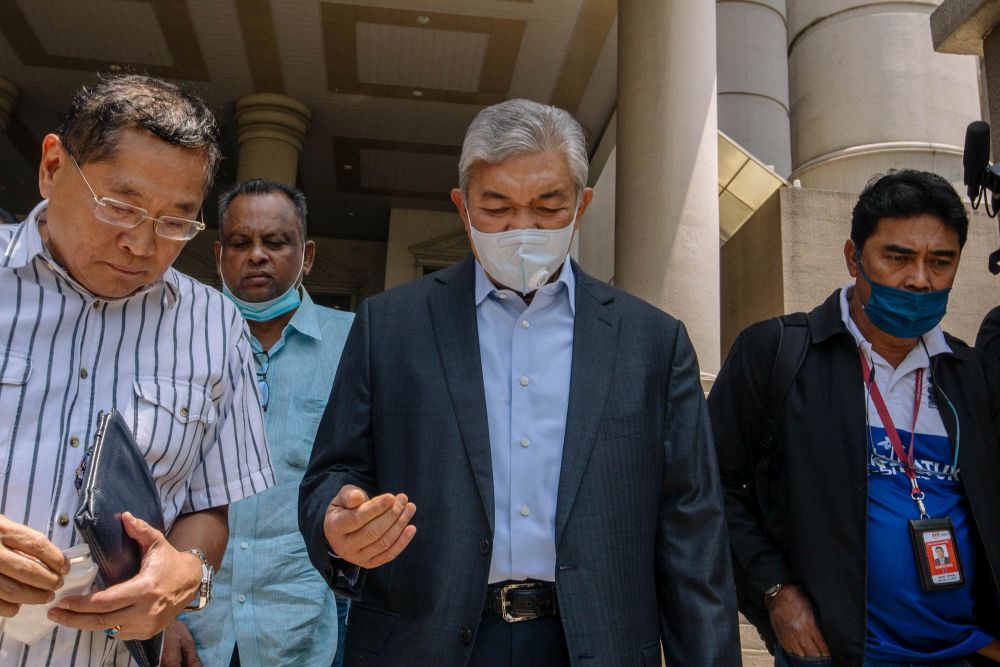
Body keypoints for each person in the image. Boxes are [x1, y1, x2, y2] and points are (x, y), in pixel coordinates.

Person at [298, 98, 740, 666]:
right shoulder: (392, 326)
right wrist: (336, 521)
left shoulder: (652, 342)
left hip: (594, 644)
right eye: (497, 206)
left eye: (548, 206)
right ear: (462, 207)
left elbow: (692, 529)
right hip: (422, 640)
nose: (521, 228)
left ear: (581, 205)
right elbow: (332, 472)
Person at [0, 75, 273, 666]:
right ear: (52, 167)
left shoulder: (214, 325)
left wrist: (186, 575)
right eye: (120, 206)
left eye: (176, 220)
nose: (142, 244)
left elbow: (208, 502)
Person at [709, 170, 1000, 666]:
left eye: (940, 261)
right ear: (853, 258)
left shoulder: (969, 374)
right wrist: (773, 590)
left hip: (967, 653)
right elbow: (710, 485)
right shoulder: (778, 353)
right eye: (897, 256)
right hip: (842, 655)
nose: (919, 279)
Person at [165, 179, 353, 666]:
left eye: (275, 242)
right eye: (241, 243)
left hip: (302, 628)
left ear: (306, 255)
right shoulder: (176, 342)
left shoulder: (354, 344)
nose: (257, 256)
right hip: (190, 625)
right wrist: (160, 615)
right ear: (218, 253)